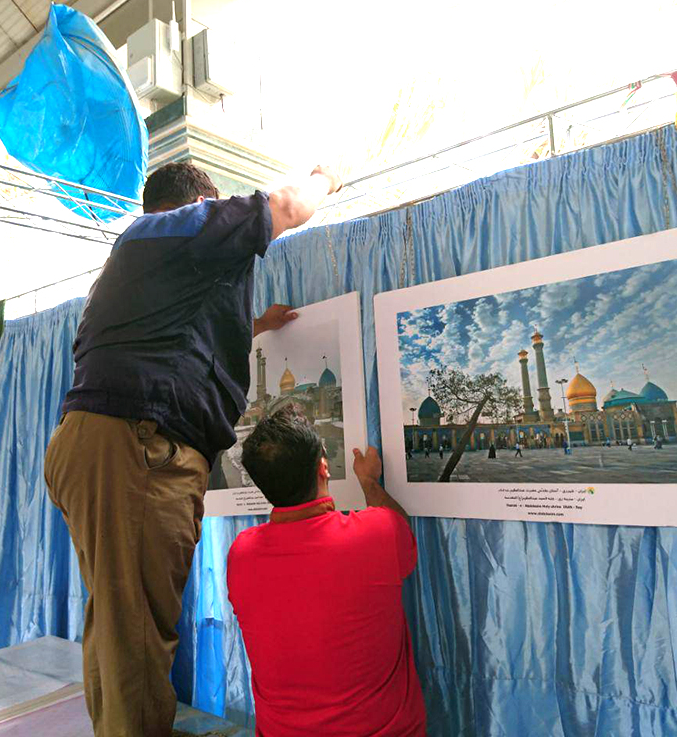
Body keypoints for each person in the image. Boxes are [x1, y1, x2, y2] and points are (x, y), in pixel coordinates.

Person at [44, 162, 342, 737]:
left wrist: (255, 326)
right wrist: (324, 178)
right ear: (201, 204)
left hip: (99, 445)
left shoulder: (137, 259)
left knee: (117, 625)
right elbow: (286, 208)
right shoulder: (181, 227)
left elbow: (182, 335)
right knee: (135, 639)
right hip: (137, 450)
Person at [227, 405, 426, 736]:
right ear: (324, 467)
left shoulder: (241, 554)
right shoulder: (375, 533)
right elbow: (402, 532)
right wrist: (368, 482)